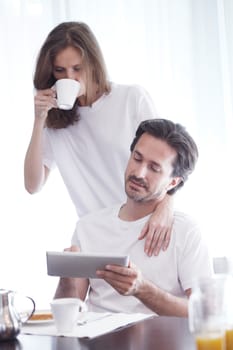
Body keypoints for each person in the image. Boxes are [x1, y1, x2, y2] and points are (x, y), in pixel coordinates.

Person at [24, 21, 174, 256]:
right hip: (96, 239)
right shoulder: (54, 121)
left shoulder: (131, 99)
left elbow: (167, 165)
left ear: (93, 63)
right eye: (60, 71)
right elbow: (33, 185)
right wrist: (38, 120)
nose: (70, 78)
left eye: (77, 68)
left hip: (144, 230)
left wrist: (167, 208)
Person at [54, 118, 213, 317]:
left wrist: (142, 289)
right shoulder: (88, 227)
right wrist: (66, 278)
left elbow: (206, 313)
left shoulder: (186, 231)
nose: (139, 173)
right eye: (137, 158)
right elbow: (67, 316)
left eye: (154, 168)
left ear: (172, 182)